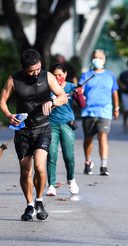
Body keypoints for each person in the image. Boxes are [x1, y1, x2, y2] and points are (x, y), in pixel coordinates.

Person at [0, 49, 67, 221]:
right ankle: (29, 205)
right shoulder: (13, 79)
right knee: (25, 171)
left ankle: (39, 200)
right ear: (23, 69)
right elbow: (2, 101)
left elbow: (63, 97)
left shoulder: (47, 76)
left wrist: (52, 101)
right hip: (22, 131)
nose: (36, 73)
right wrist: (9, 115)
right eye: (31, 71)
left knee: (40, 167)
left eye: (38, 69)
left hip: (43, 128)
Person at [46, 63, 86, 197]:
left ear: (65, 74)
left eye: (60, 75)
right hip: (51, 125)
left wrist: (79, 94)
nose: (58, 77)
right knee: (51, 154)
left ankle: (71, 179)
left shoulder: (71, 87)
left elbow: (82, 105)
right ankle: (51, 185)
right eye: (55, 75)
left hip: (67, 124)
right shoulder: (48, 87)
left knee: (69, 156)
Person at [79, 49, 119, 176]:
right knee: (88, 139)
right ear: (92, 59)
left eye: (100, 57)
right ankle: (88, 161)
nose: (97, 59)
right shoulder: (86, 75)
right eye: (95, 57)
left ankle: (104, 165)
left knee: (103, 136)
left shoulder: (110, 75)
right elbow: (80, 91)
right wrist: (79, 93)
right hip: (88, 111)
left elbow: (114, 93)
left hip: (105, 110)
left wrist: (116, 108)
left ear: (104, 60)